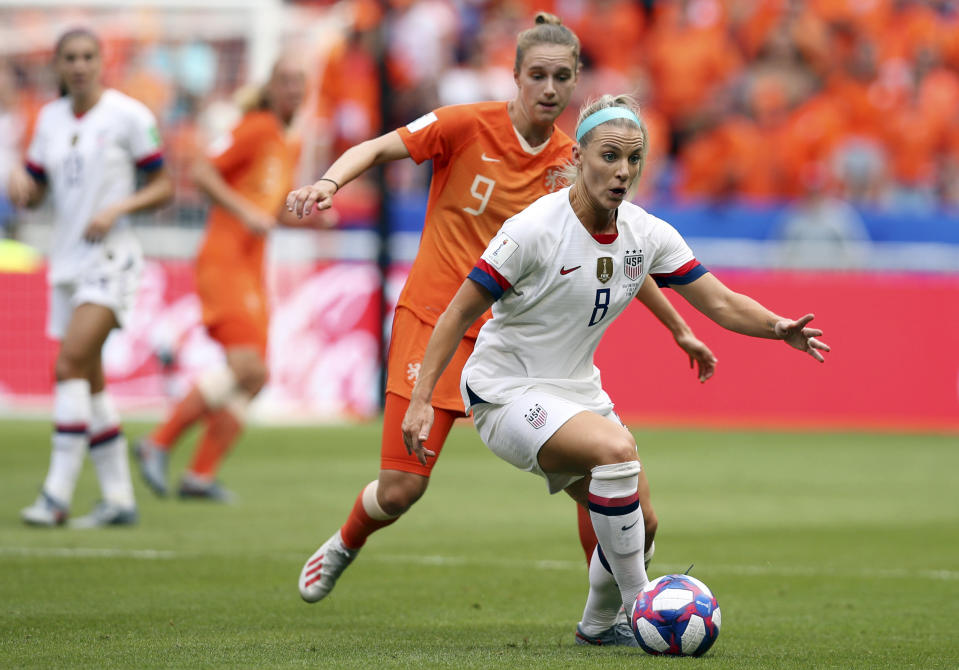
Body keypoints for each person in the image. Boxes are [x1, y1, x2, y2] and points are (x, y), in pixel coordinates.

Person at [286, 13, 716, 623]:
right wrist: (329, 181)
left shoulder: (581, 159)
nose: (548, 88)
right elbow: (382, 145)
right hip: (438, 319)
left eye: (561, 77)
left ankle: (611, 618)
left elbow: (621, 251)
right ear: (514, 76)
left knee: (604, 479)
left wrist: (677, 326)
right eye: (536, 75)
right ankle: (346, 541)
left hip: (513, 341)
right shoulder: (466, 125)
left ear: (575, 83)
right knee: (404, 487)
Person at [401, 94, 830, 645]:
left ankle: (597, 627)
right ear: (578, 156)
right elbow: (457, 312)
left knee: (642, 523)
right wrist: (419, 400)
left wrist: (778, 328)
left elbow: (720, 303)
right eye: (609, 156)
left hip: (577, 393)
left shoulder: (646, 234)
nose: (623, 171)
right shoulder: (532, 229)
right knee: (617, 451)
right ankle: (643, 609)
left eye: (633, 159)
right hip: (504, 392)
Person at [8, 28, 173, 527]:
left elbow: (164, 185)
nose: (79, 66)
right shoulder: (50, 121)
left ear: (103, 62)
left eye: (87, 57)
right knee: (91, 383)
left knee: (69, 365)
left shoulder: (128, 115)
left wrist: (118, 207)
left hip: (112, 257)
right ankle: (120, 499)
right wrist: (22, 184)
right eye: (70, 58)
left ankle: (56, 496)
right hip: (67, 263)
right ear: (57, 65)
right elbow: (37, 192)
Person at [135, 56, 309, 501]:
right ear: (270, 88)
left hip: (252, 267)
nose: (293, 89)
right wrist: (244, 212)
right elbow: (201, 171)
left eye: (299, 82)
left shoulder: (290, 141)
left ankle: (200, 476)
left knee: (256, 377)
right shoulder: (255, 126)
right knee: (245, 367)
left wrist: (306, 218)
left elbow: (267, 210)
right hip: (224, 260)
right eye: (285, 80)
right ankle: (158, 441)